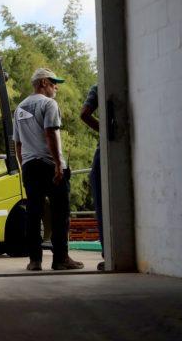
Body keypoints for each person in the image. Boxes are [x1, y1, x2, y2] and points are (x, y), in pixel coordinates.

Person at [13, 68, 84, 271]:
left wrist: (23, 166)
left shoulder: (20, 108)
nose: (56, 87)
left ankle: (34, 260)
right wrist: (58, 165)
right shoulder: (48, 104)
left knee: (34, 213)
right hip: (49, 165)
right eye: (53, 83)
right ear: (43, 82)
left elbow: (18, 143)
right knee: (60, 213)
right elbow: (50, 134)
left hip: (29, 166)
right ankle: (60, 259)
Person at [80, 84, 104, 271]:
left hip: (104, 147)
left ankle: (109, 252)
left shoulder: (98, 87)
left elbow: (84, 114)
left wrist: (104, 132)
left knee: (102, 198)